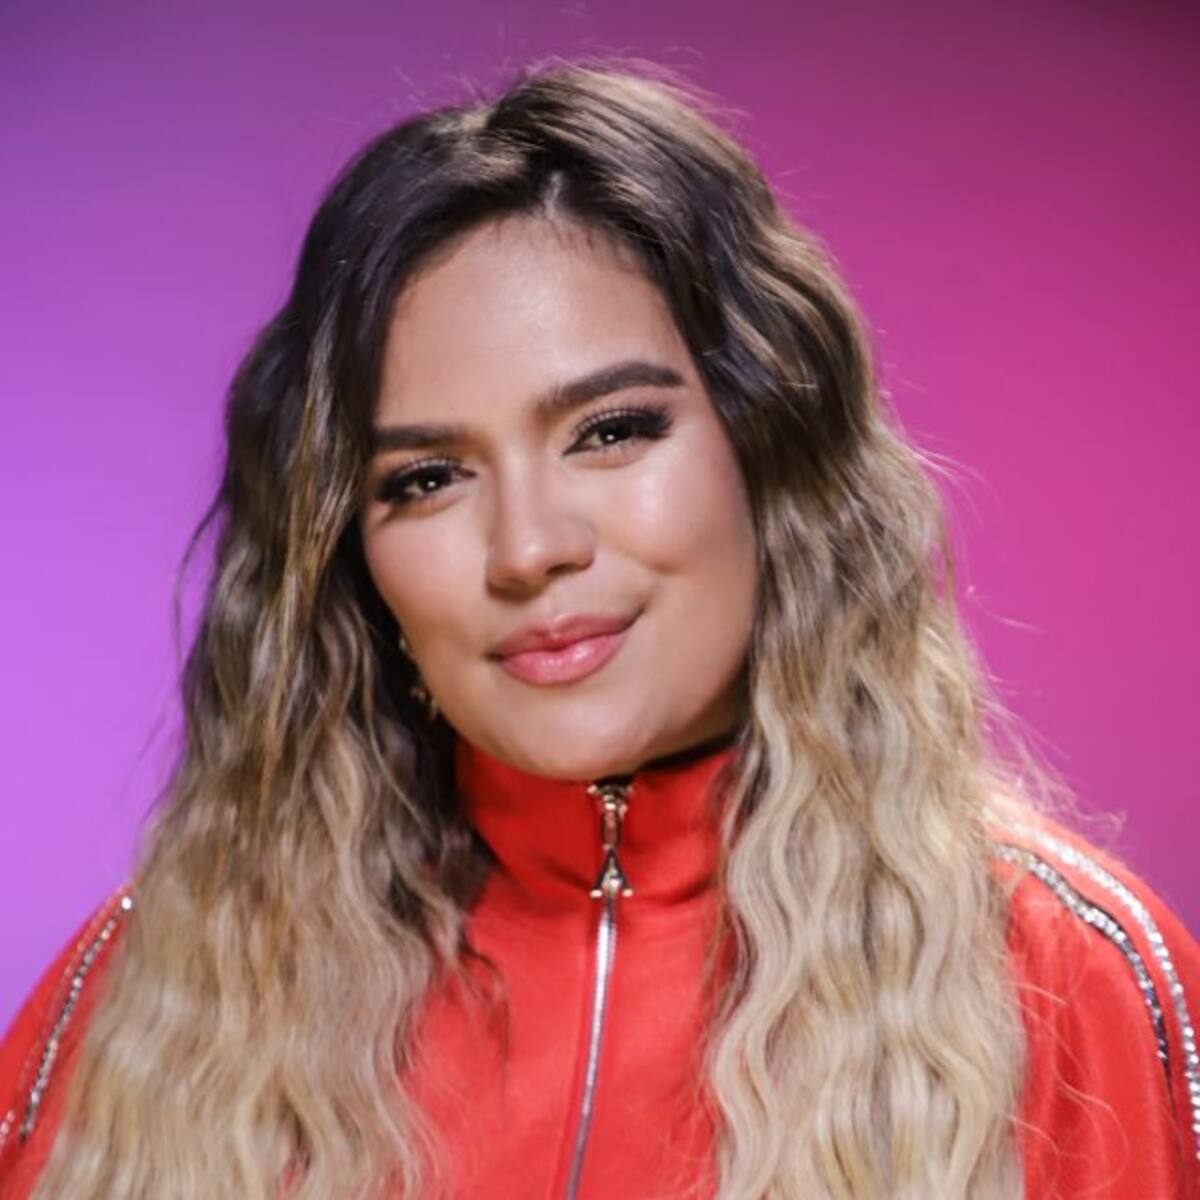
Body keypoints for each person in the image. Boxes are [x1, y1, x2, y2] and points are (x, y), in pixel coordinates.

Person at [0, 58, 1196, 1200]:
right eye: (426, 479)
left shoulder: (1061, 977)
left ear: (770, 450)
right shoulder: (162, 998)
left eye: (612, 430)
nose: (528, 549)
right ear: (350, 558)